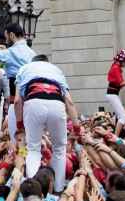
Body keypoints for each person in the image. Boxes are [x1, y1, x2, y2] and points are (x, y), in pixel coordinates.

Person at [13, 55, 79, 191]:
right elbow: (70, 102)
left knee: (33, 149)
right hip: (57, 103)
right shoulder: (57, 70)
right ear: (47, 63)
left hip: (33, 103)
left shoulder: (24, 69)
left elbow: (17, 101)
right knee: (60, 149)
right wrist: (77, 127)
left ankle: (33, 189)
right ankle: (58, 189)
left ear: (33, 62)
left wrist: (20, 125)